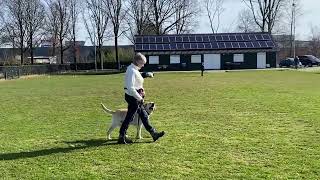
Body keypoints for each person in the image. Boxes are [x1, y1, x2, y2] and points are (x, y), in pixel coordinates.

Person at [118, 53, 165, 144]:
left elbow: (137, 76)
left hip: (134, 97)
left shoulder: (134, 69)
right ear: (138, 61)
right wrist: (139, 98)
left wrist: (146, 74)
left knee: (143, 115)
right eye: (142, 63)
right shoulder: (131, 70)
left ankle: (153, 133)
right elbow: (130, 87)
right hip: (133, 98)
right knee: (130, 117)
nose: (143, 65)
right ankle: (122, 136)